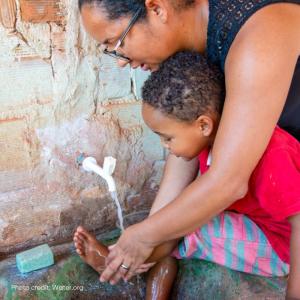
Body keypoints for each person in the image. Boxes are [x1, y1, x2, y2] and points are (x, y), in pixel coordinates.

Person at [77, 0, 300, 298]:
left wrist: (145, 236)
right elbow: (181, 169)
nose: (120, 60)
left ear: (156, 9)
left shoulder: (260, 32)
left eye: (116, 41)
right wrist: (144, 238)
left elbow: (228, 182)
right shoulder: (195, 59)